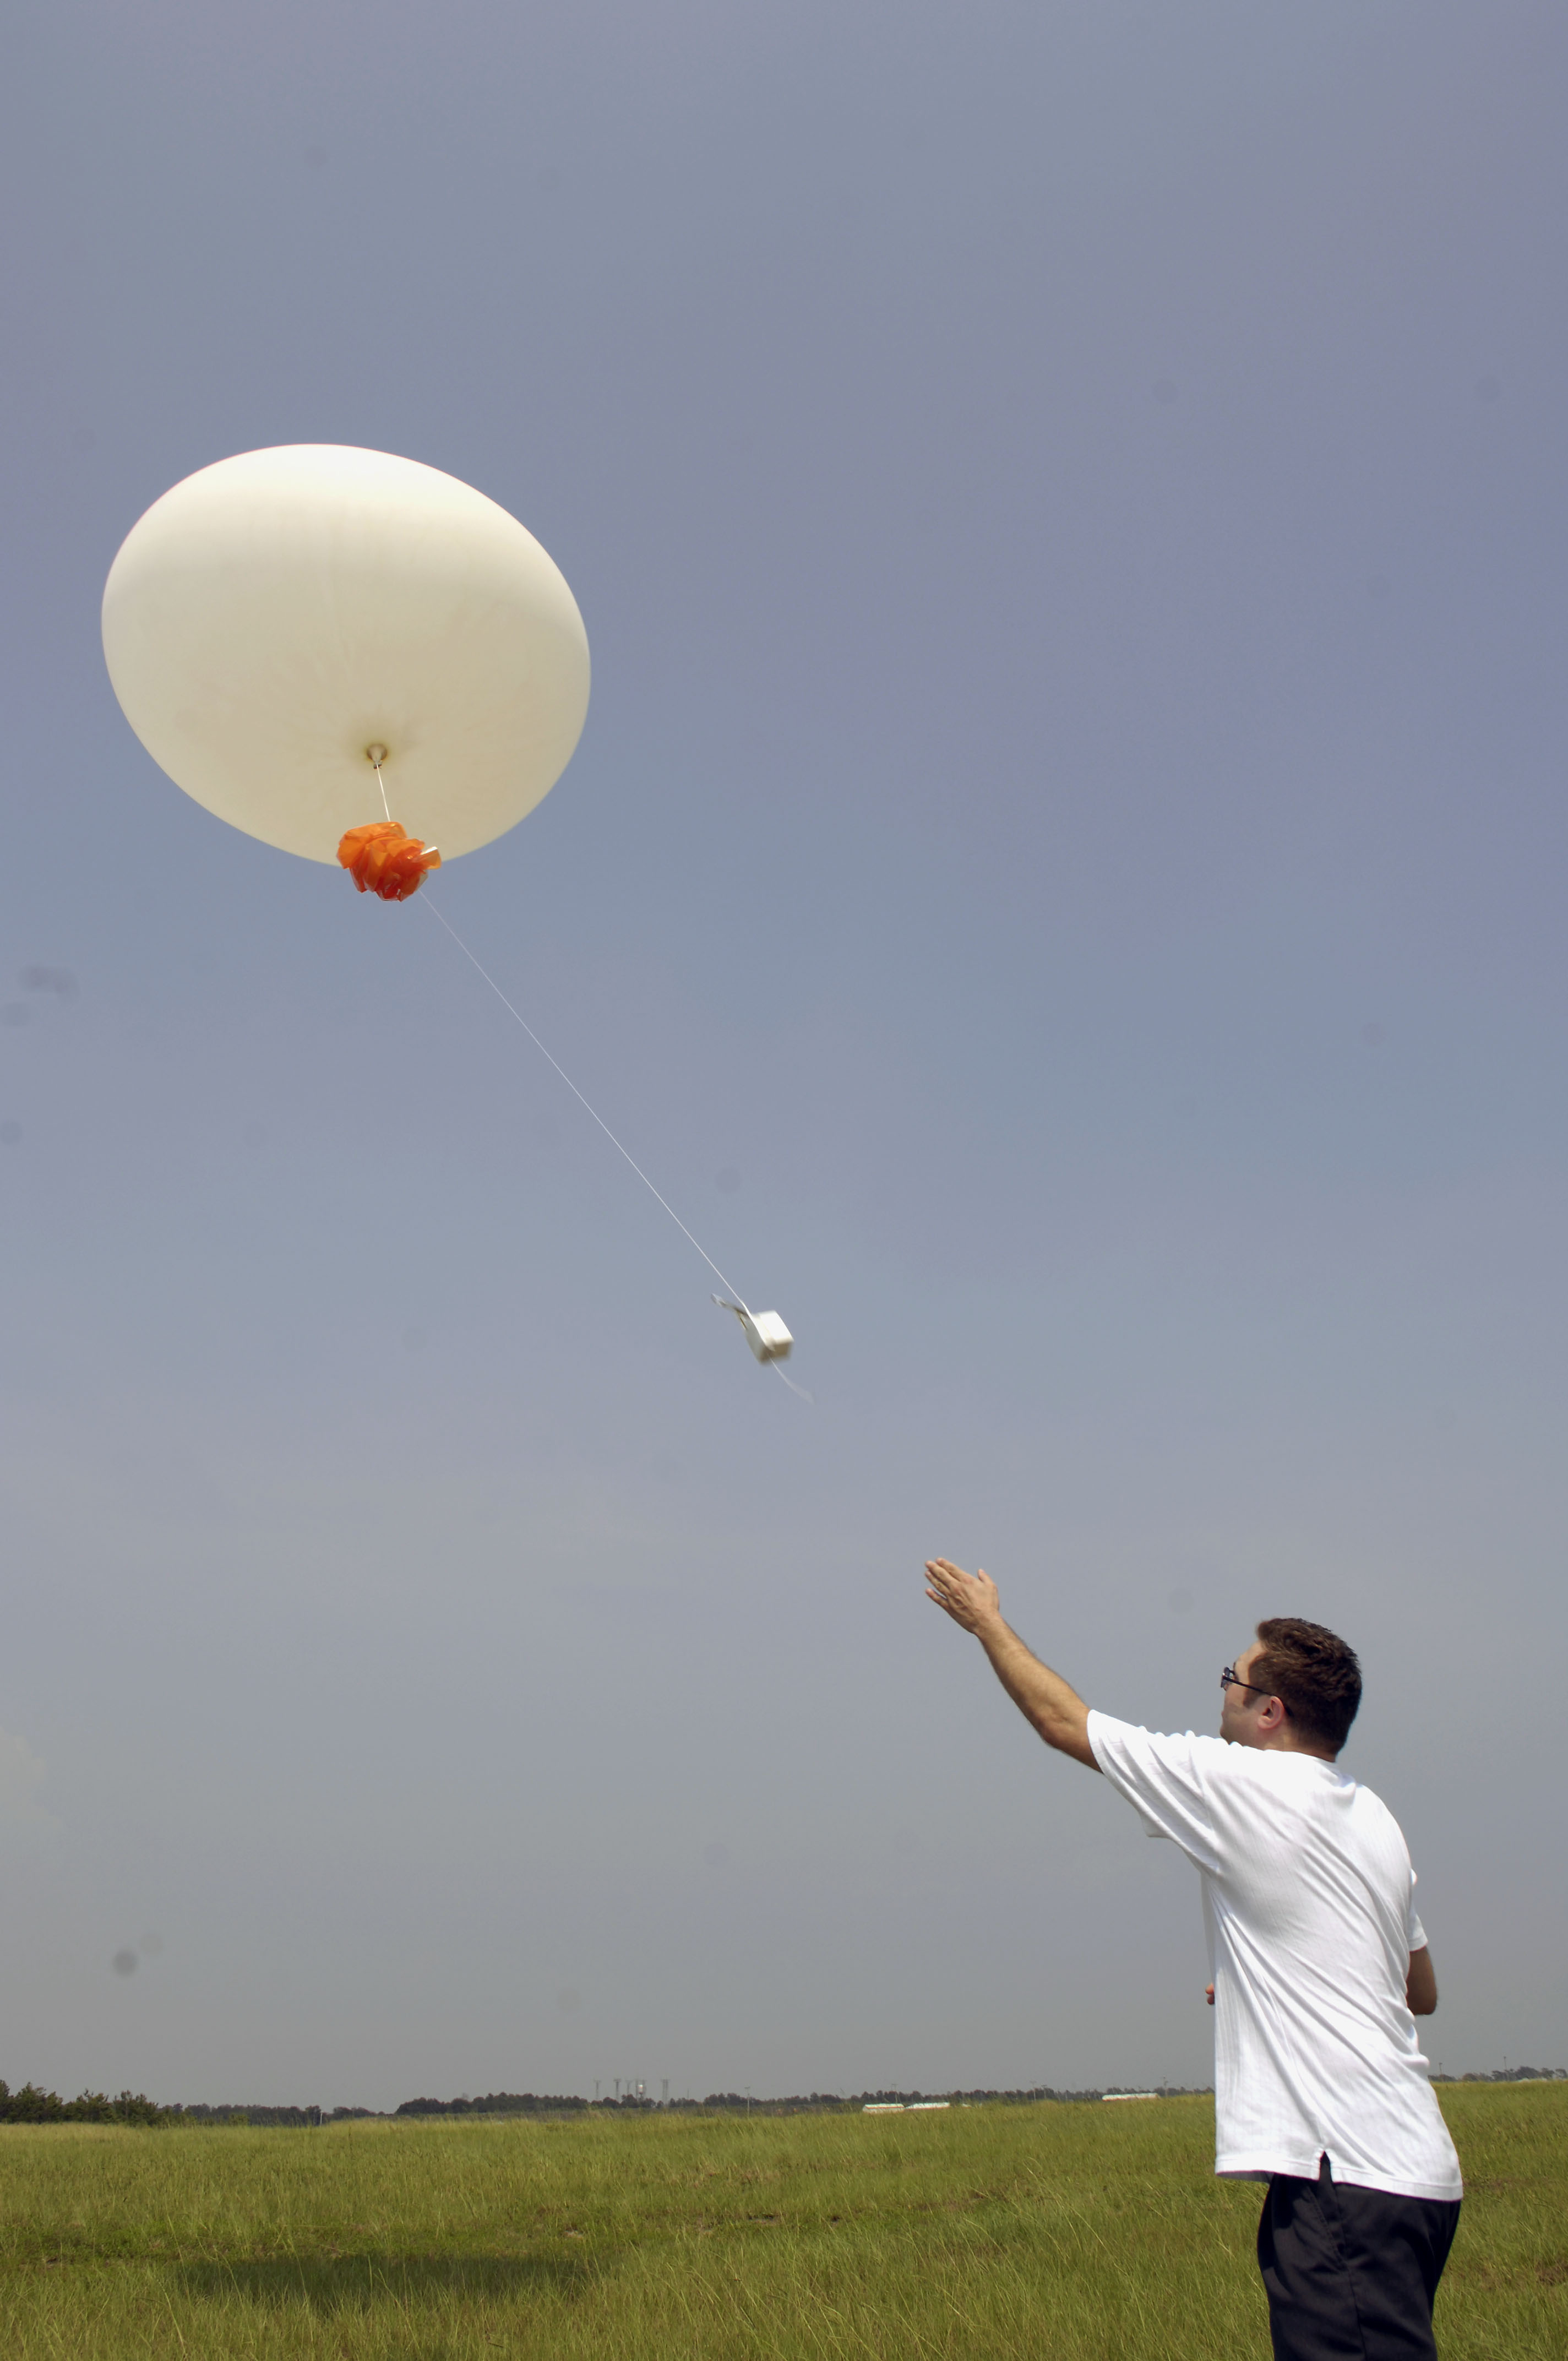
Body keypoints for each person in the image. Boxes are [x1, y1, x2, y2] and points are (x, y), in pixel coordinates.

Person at [924, 1558, 1462, 2360]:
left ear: (1270, 1711)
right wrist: (1275, 1971)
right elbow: (1419, 1991)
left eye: (1231, 1678)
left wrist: (987, 1625)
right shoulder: (1372, 1815)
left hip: (1341, 2174)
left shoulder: (1243, 1784)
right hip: (1416, 2175)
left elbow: (1065, 1725)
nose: (1220, 1691)